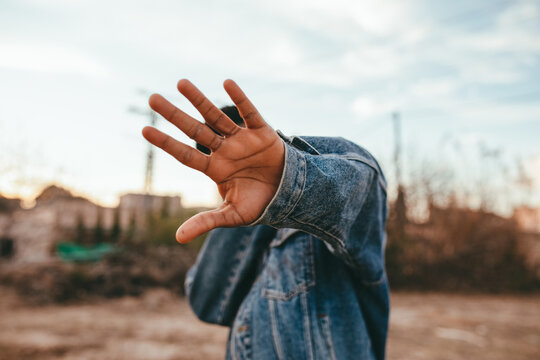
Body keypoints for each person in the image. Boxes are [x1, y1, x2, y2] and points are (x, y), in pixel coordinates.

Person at [142, 79, 389, 360]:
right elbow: (208, 303)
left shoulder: (323, 235)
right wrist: (249, 215)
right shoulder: (244, 236)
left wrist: (290, 175)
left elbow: (361, 190)